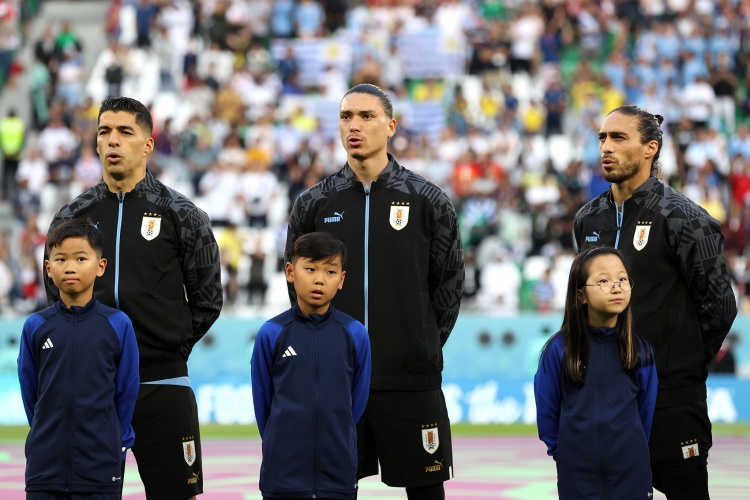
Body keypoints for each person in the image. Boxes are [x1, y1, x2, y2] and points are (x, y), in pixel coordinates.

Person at [286, 84, 465, 499]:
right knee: (330, 490)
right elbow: (298, 286)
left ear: (391, 126)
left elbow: (449, 285)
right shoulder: (313, 203)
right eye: (346, 116)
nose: (355, 125)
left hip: (410, 379)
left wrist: (419, 343)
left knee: (425, 491)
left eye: (367, 116)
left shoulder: (428, 201)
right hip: (334, 377)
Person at [44, 96, 223, 500]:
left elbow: (208, 298)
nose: (113, 140)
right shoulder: (72, 217)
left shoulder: (182, 214)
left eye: (125, 132)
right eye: (104, 131)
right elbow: (56, 291)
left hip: (163, 383)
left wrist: (169, 347)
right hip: (93, 385)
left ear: (148, 144)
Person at [573, 104, 738, 499]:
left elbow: (719, 305)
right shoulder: (587, 219)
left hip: (672, 400)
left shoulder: (684, 218)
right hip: (606, 398)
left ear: (651, 148)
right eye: (602, 138)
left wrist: (679, 363)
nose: (606, 147)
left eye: (618, 137)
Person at [19, 218, 140, 497]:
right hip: (44, 471)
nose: (70, 267)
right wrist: (45, 433)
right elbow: (31, 392)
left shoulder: (118, 324)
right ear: (48, 268)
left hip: (100, 468)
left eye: (81, 258)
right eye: (60, 259)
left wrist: (113, 441)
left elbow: (126, 391)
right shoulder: (35, 326)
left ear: (100, 266)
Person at [251, 231, 371, 499]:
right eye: (310, 268)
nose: (319, 279)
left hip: (338, 473)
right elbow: (263, 403)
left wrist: (336, 435)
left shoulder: (355, 334)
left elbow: (357, 402)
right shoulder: (272, 333)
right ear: (290, 272)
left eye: (330, 271)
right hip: (283, 475)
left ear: (341, 280)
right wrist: (279, 441)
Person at [534, 245, 658, 499]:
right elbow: (547, 415)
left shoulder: (640, 350)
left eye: (622, 279)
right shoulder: (558, 350)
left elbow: (645, 414)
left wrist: (629, 451)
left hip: (632, 475)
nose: (616, 287)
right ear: (580, 295)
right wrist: (566, 454)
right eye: (603, 281)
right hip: (577, 478)